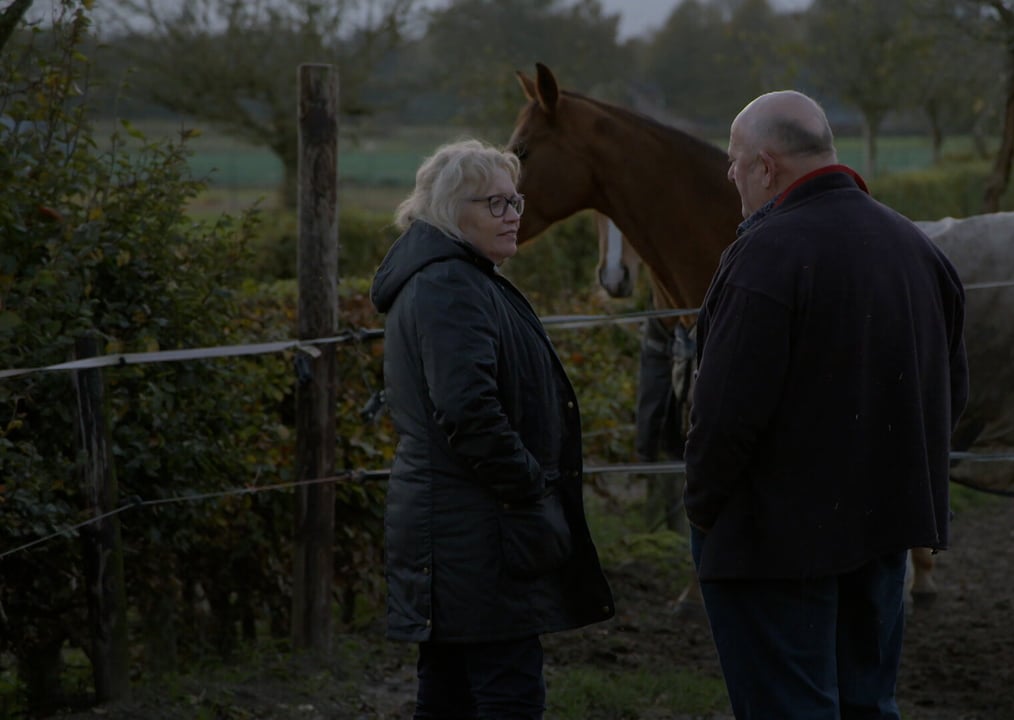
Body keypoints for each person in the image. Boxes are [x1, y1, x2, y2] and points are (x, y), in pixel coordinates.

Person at [684, 91, 968, 719]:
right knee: (868, 704)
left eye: (733, 162)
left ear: (766, 165)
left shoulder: (765, 256)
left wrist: (703, 513)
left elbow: (725, 413)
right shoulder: (915, 248)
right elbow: (949, 393)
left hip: (772, 546)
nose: (730, 176)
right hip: (883, 533)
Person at [370, 138, 614, 719]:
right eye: (496, 205)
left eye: (516, 202)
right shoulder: (449, 287)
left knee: (453, 691)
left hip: (466, 530)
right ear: (453, 212)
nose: (513, 218)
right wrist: (529, 485)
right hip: (474, 533)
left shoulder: (460, 277)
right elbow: (468, 410)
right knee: (506, 693)